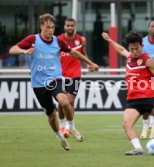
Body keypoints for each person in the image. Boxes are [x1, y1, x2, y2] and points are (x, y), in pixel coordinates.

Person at [8, 13, 98, 151]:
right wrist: (24, 51)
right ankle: (60, 137)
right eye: (47, 27)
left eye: (52, 27)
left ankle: (71, 127)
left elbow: (73, 52)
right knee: (51, 116)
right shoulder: (32, 39)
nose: (50, 30)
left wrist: (90, 62)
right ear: (41, 26)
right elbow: (12, 50)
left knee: (64, 101)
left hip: (55, 79)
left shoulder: (58, 41)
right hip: (38, 84)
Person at [102, 31, 154, 155]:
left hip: (149, 98)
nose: (134, 51)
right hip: (133, 100)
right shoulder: (130, 57)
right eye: (131, 49)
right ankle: (138, 148)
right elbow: (120, 49)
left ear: (142, 46)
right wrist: (109, 39)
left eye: (137, 48)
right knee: (127, 124)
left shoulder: (148, 60)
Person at [57, 18, 88, 141]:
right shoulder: (58, 40)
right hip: (60, 75)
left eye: (72, 25)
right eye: (68, 25)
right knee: (61, 102)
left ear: (75, 26)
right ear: (64, 26)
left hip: (75, 74)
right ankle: (62, 125)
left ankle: (69, 128)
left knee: (69, 101)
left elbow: (83, 54)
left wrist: (89, 64)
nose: (70, 27)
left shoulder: (81, 40)